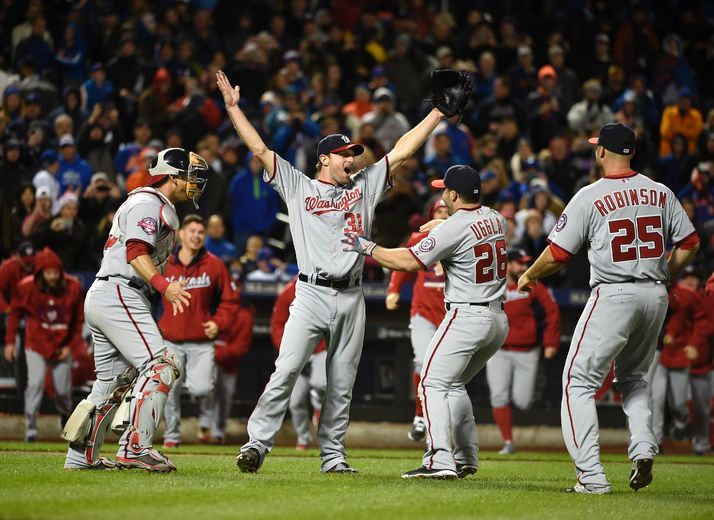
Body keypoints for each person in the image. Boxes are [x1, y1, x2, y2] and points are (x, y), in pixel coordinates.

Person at [216, 69, 448, 474]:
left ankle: (333, 457)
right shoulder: (298, 185)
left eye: (353, 154)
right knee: (287, 368)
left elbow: (403, 150)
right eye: (344, 154)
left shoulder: (365, 185)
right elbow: (259, 148)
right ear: (325, 158)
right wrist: (236, 112)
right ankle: (256, 444)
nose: (351, 159)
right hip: (310, 293)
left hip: (352, 294)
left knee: (341, 381)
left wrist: (438, 114)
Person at [517, 123, 700, 493]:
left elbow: (557, 254)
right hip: (655, 295)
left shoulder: (590, 195)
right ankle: (644, 445)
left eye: (597, 147)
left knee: (577, 382)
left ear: (602, 152)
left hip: (614, 293)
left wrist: (529, 275)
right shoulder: (660, 192)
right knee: (634, 378)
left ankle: (591, 477)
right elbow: (691, 243)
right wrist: (666, 273)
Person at [343, 164, 509, 479]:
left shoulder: (453, 228)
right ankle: (465, 456)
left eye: (446, 189)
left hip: (467, 314)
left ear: (455, 194)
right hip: (497, 319)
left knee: (431, 383)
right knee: (454, 383)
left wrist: (367, 246)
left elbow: (406, 261)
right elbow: (469, 228)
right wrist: (445, 227)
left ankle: (439, 460)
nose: (442, 194)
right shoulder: (497, 218)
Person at [61, 147, 208, 472]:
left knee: (112, 382)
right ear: (171, 176)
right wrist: (163, 285)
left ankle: (80, 457)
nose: (194, 183)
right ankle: (136, 448)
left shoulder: (150, 203)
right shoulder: (148, 202)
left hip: (109, 292)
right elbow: (136, 250)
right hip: (119, 291)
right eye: (189, 176)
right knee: (162, 365)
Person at [160, 214, 240, 448]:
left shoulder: (214, 264)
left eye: (200, 232)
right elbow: (149, 296)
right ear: (181, 234)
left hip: (201, 341)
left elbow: (231, 300)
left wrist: (218, 323)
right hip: (170, 339)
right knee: (169, 390)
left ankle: (204, 423)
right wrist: (154, 323)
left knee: (202, 389)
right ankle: (172, 436)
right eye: (191, 231)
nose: (196, 236)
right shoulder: (164, 262)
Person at [385, 199, 449, 442]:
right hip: (423, 311)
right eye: (438, 211)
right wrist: (393, 290)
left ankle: (440, 423)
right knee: (423, 363)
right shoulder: (418, 238)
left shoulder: (464, 236)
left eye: (446, 210)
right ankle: (420, 418)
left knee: (447, 373)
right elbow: (401, 264)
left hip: (452, 313)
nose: (442, 215)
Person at [4, 248, 83, 442]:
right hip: (36, 343)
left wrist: (70, 346)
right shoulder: (26, 286)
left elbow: (78, 320)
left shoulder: (72, 287)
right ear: (40, 272)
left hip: (61, 345)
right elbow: (15, 314)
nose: (52, 277)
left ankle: (65, 419)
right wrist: (9, 342)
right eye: (48, 273)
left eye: (55, 272)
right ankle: (30, 431)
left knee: (64, 392)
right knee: (35, 384)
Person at [486, 248, 560, 455]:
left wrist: (550, 342)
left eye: (526, 263)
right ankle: (508, 442)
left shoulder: (531, 283)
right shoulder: (492, 286)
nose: (524, 267)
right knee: (499, 396)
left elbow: (552, 311)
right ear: (507, 265)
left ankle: (510, 437)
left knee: (523, 401)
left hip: (527, 351)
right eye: (519, 263)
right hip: (499, 350)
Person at [650, 266, 706, 448]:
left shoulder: (698, 300)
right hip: (658, 351)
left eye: (694, 277)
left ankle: (682, 425)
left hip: (680, 354)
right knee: (655, 398)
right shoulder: (672, 293)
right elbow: (673, 303)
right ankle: (655, 440)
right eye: (687, 276)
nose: (690, 280)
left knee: (679, 403)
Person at [270, 277, 327, 450]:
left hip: (320, 349)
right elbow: (277, 324)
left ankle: (318, 406)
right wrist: (289, 349)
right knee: (295, 401)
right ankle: (303, 438)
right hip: (297, 351)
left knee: (320, 383)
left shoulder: (325, 287)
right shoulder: (289, 291)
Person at [202, 301, 255, 445]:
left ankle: (218, 432)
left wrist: (219, 353)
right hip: (210, 357)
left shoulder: (244, 315)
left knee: (225, 396)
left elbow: (240, 346)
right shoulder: (209, 306)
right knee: (207, 387)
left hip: (229, 362)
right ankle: (204, 425)